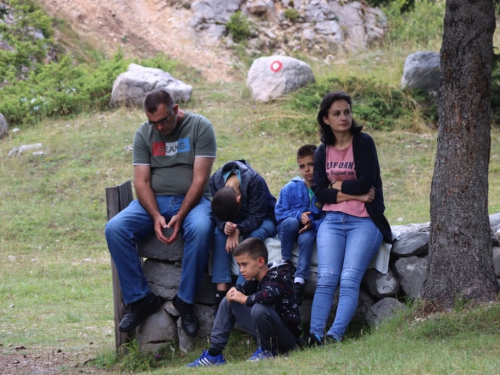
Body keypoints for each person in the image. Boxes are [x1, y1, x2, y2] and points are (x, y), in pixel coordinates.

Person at [104, 89, 216, 338]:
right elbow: (141, 182)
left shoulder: (200, 127)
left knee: (200, 228)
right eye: (153, 122)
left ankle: (185, 300)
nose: (159, 127)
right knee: (115, 228)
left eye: (163, 120)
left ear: (175, 110)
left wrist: (181, 214)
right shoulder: (144, 132)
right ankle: (141, 299)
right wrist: (156, 216)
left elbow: (199, 180)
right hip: (155, 202)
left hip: (194, 201)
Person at [306, 91, 392, 345]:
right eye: (336, 113)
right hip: (332, 221)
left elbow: (367, 181)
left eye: (347, 112)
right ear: (325, 119)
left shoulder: (364, 142)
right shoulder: (323, 151)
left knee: (348, 279)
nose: (343, 117)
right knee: (327, 279)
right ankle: (314, 336)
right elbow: (319, 191)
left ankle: (334, 335)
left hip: (365, 221)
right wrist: (346, 193)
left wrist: (335, 185)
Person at [187, 238, 301, 367]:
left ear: (260, 262)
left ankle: (267, 351)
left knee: (259, 308)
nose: (241, 270)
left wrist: (245, 299)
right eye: (239, 265)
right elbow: (244, 288)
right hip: (269, 334)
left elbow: (268, 295)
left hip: (287, 339)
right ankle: (214, 355)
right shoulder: (255, 278)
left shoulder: (278, 276)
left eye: (244, 264)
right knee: (228, 301)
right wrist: (235, 290)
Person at [209, 160, 277, 313]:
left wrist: (238, 230)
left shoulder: (254, 181)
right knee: (219, 234)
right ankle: (221, 292)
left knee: (250, 240)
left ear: (239, 200)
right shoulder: (215, 181)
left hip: (263, 218)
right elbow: (218, 214)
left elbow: (257, 215)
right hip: (235, 221)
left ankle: (241, 289)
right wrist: (224, 225)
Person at [275, 144, 324, 305]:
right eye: (302, 166)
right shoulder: (290, 188)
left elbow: (328, 216)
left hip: (309, 230)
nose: (307, 170)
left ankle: (299, 282)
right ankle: (286, 262)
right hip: (288, 229)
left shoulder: (325, 190)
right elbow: (280, 213)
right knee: (290, 222)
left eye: (311, 164)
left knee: (307, 237)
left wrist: (313, 224)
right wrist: (297, 216)